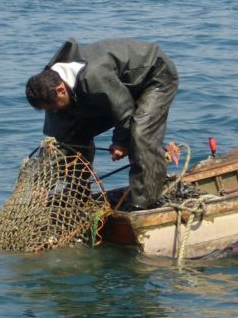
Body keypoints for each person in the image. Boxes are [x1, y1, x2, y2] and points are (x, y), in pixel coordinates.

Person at [25, 38, 178, 209]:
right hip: (117, 89)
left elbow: (124, 109)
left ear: (61, 90)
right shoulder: (51, 91)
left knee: (141, 134)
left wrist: (120, 142)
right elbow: (56, 143)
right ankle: (79, 197)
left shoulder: (94, 76)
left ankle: (144, 203)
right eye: (48, 109)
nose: (53, 112)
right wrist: (41, 184)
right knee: (71, 138)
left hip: (154, 76)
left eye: (53, 107)